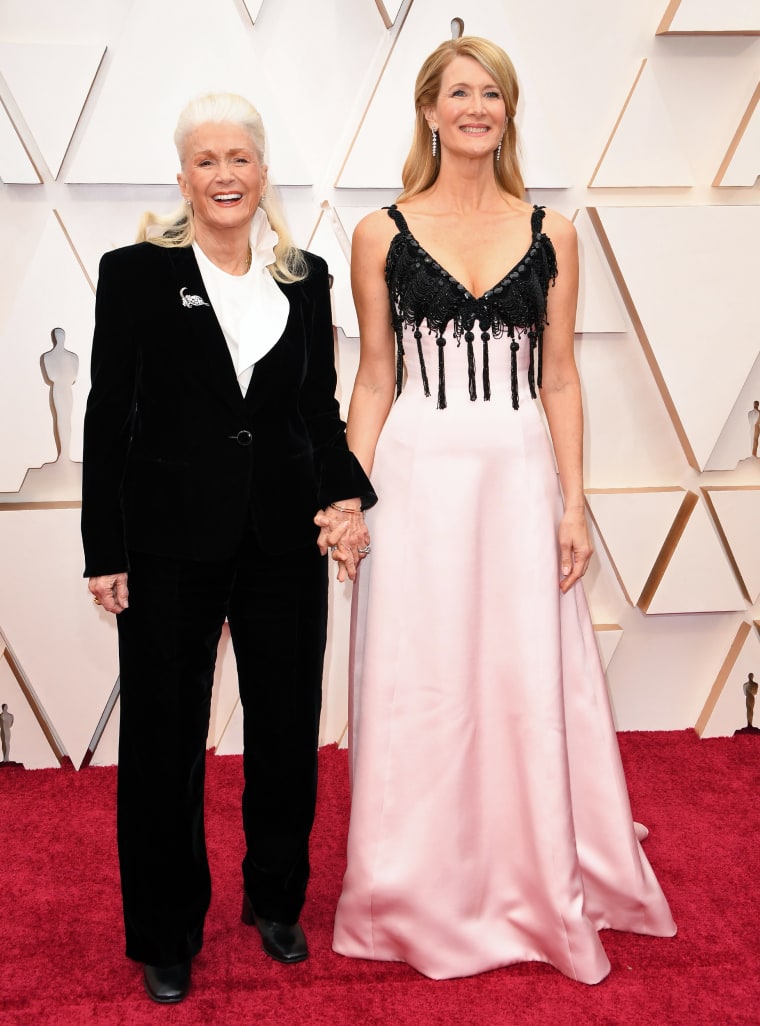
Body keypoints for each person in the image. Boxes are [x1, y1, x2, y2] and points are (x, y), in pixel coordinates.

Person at [323, 37, 676, 984]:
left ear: (506, 113)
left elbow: (561, 381)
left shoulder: (552, 232)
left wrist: (574, 503)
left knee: (524, 671)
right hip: (418, 480)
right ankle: (411, 878)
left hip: (519, 480)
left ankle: (529, 857)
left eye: (493, 93)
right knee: (420, 673)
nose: (476, 107)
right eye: (459, 92)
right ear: (429, 112)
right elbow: (373, 378)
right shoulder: (377, 234)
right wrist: (349, 498)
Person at [81, 92, 374, 1005]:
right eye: (205, 160)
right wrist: (105, 547)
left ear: (261, 169)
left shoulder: (306, 274)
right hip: (166, 541)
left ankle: (276, 899)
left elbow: (315, 410)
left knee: (287, 725)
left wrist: (345, 496)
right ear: (182, 176)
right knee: (164, 739)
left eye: (238, 158)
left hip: (283, 535)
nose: (223, 176)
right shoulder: (134, 273)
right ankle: (166, 932)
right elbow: (107, 417)